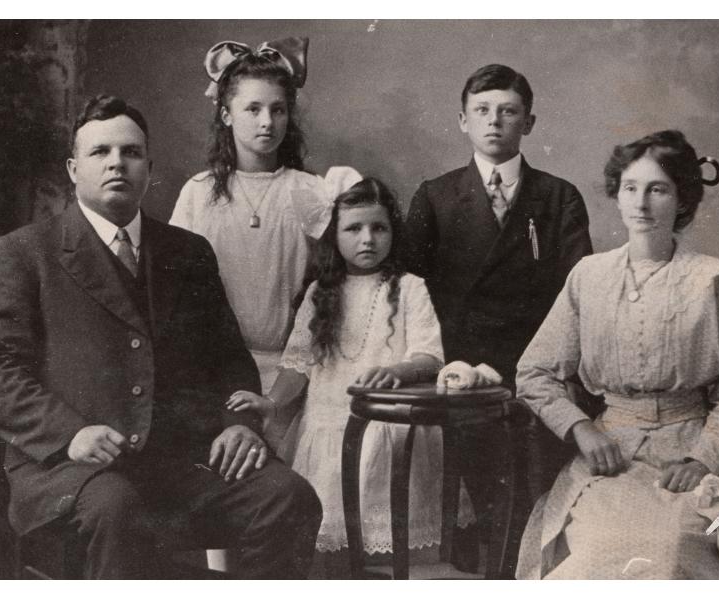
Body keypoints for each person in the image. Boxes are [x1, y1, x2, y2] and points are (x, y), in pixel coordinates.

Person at [0, 95, 322, 579]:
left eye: (131, 153)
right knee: (117, 509)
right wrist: (69, 433)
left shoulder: (188, 251)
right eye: (100, 153)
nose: (117, 163)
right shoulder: (24, 252)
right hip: (72, 467)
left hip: (183, 461)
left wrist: (238, 424)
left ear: (149, 168)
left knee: (288, 497)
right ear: (74, 169)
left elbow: (228, 359)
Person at [514, 130, 719, 579]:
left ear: (683, 199)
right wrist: (582, 429)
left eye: (657, 189)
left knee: (674, 545)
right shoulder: (588, 276)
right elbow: (534, 373)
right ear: (617, 194)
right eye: (630, 188)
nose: (641, 203)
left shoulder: (709, 280)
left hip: (691, 454)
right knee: (606, 547)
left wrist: (702, 459)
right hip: (611, 459)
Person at [228, 178, 474, 572]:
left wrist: (399, 369)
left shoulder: (410, 288)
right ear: (334, 235)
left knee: (399, 557)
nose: (368, 239)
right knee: (330, 555)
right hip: (328, 435)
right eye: (354, 228)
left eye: (379, 228)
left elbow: (430, 355)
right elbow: (297, 364)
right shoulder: (318, 294)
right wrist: (271, 402)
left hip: (394, 436)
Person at [401, 63, 593, 564]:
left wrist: (549, 370)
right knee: (476, 501)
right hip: (459, 369)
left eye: (508, 112)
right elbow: (411, 294)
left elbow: (578, 295)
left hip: (535, 366)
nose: (494, 122)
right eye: (482, 111)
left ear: (528, 122)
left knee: (535, 494)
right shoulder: (436, 196)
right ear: (462, 120)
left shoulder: (558, 196)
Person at [169, 36, 360, 407]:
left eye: (278, 110)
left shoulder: (311, 191)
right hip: (212, 372)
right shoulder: (198, 192)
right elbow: (174, 290)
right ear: (226, 115)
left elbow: (332, 287)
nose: (267, 122)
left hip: (294, 374)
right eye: (252, 109)